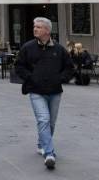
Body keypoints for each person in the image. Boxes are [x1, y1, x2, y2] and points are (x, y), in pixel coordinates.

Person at [15, 17, 75, 170]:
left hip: (55, 92)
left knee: (51, 123)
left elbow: (69, 68)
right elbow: (19, 66)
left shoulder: (59, 49)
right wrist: (31, 78)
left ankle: (41, 143)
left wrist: (60, 79)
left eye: (39, 27)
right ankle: (49, 154)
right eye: (35, 26)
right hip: (36, 91)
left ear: (47, 31)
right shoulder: (28, 47)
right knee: (43, 119)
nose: (35, 29)